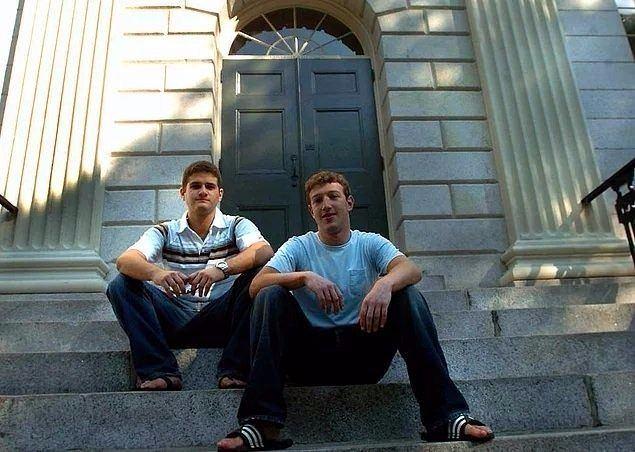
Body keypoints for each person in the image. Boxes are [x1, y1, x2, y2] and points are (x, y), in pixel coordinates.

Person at [217, 171, 494, 450]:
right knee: (270, 294)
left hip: (363, 356)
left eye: (333, 196)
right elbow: (257, 284)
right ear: (311, 211)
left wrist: (384, 284)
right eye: (318, 200)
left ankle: (445, 417)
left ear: (349, 203)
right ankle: (262, 424)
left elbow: (411, 269)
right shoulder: (299, 246)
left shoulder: (369, 242)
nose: (326, 205)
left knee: (407, 295)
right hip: (308, 360)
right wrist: (304, 277)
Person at [107, 160, 273, 391]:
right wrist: (157, 273)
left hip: (222, 319)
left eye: (209, 186)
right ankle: (159, 371)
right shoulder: (166, 230)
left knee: (257, 276)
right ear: (183, 193)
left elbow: (263, 251)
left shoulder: (236, 225)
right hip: (175, 318)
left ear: (220, 194)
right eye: (195, 186)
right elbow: (125, 261)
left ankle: (235, 369)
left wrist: (221, 269)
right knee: (121, 284)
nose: (203, 191)